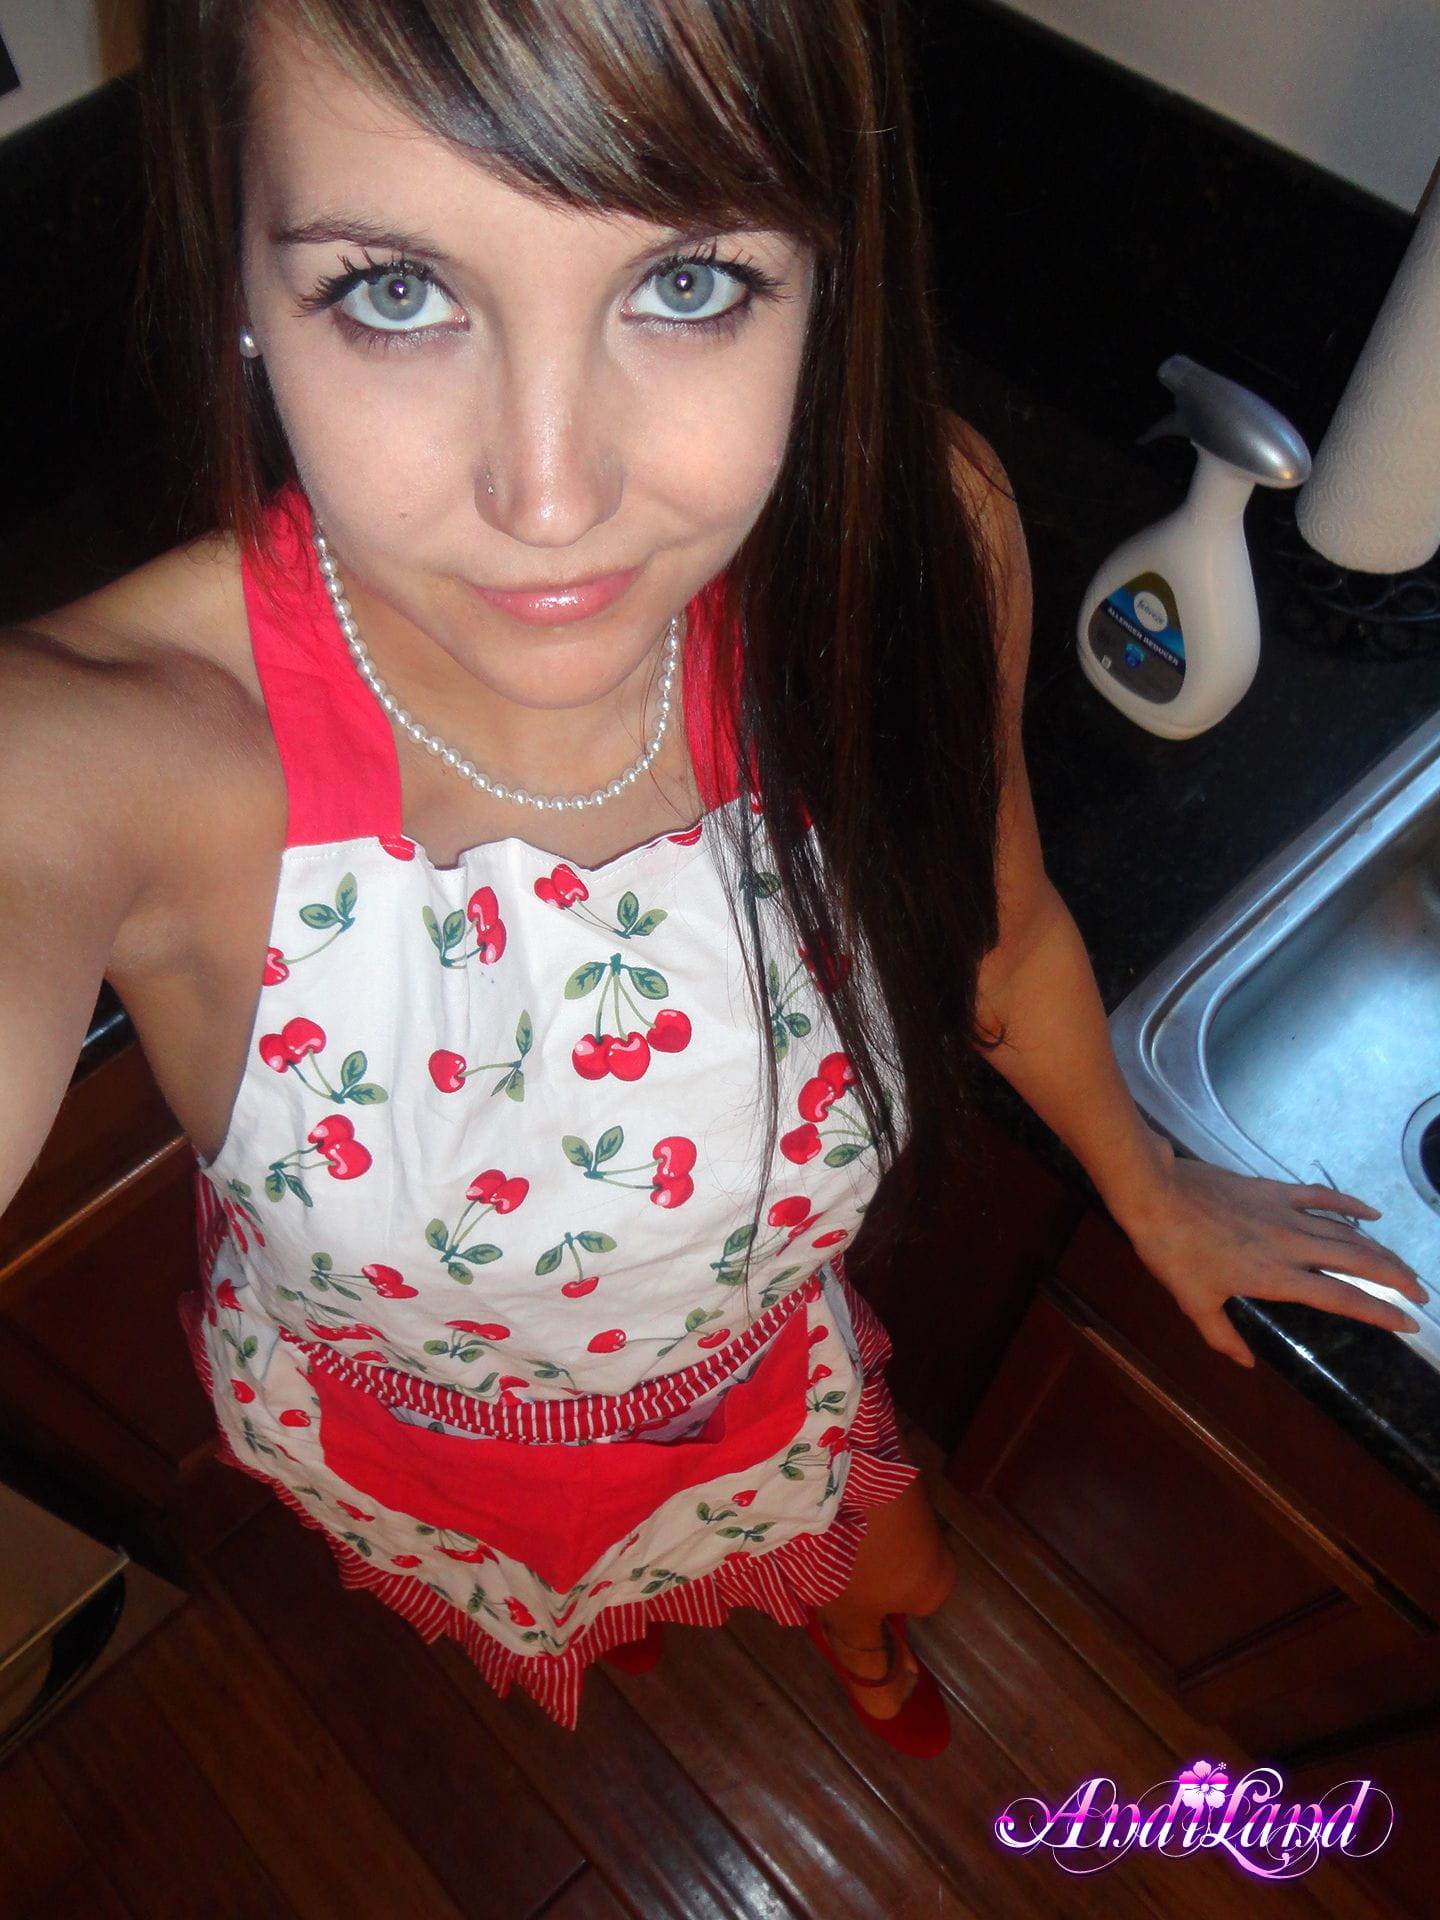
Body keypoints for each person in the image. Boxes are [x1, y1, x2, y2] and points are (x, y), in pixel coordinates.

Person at [1, 0, 1425, 1754]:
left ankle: (857, 1637)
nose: (551, 496)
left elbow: (997, 940)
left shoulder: (904, 555)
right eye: (394, 288)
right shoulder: (137, 749)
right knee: (573, 1615)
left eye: (686, 282)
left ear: (827, 264)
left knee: (893, 1573)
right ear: (239, 263)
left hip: (763, 1393)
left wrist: (1148, 1188)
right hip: (418, 1451)